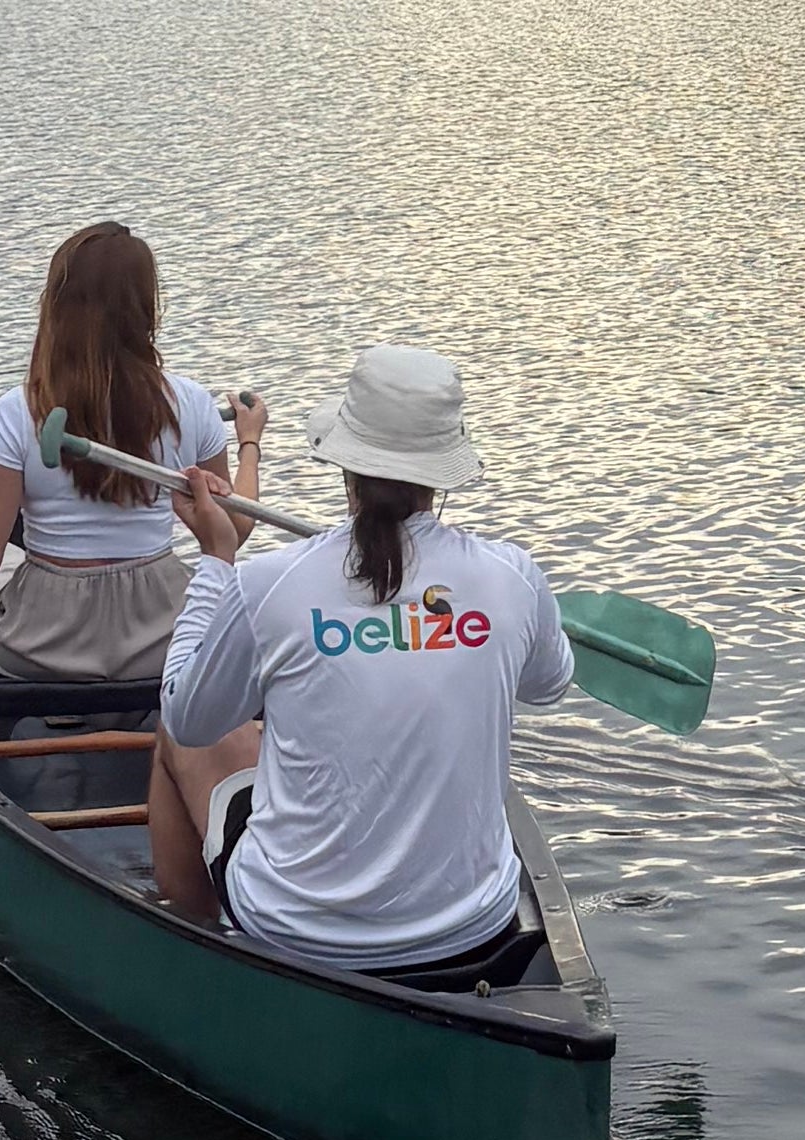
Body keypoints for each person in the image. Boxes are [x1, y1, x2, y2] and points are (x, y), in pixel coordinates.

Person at [149, 341, 573, 978]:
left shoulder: (268, 582)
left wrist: (215, 560)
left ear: (344, 464)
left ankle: (198, 953)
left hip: (298, 932)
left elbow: (186, 714)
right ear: (441, 474)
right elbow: (549, 684)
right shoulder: (512, 577)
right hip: (474, 927)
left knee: (173, 735)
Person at [0, 221, 263, 697]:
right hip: (160, 637)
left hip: (42, 649)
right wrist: (249, 444)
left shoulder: (17, 413)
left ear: (56, 307)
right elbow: (233, 530)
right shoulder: (192, 404)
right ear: (147, 309)